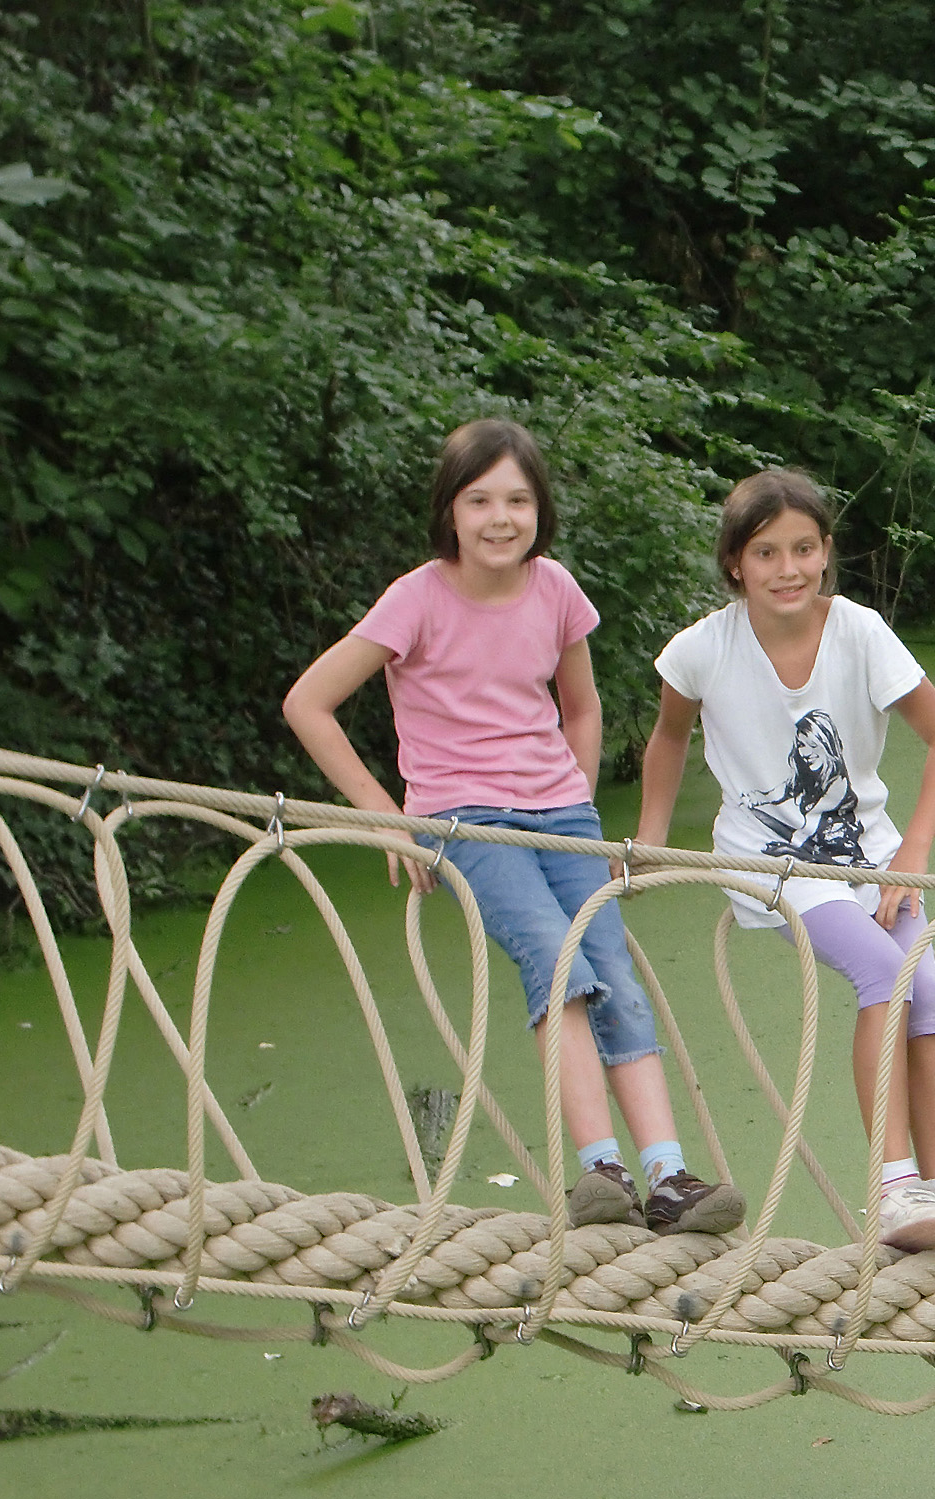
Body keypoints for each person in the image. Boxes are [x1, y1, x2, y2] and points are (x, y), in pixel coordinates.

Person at [284, 418, 742, 1235]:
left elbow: (584, 704)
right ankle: (601, 1171)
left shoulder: (554, 588)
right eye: (481, 499)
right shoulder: (417, 597)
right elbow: (308, 703)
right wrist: (389, 823)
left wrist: (583, 803)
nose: (501, 518)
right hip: (464, 820)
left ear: (542, 510)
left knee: (616, 973)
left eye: (519, 500)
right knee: (554, 955)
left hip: (561, 816)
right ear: (449, 512)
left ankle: (670, 1178)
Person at [633, 469, 935, 1255]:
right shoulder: (701, 651)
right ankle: (894, 1189)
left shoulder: (860, 632)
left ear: (827, 552)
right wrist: (645, 839)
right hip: (769, 868)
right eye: (767, 553)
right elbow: (669, 739)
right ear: (736, 563)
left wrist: (910, 852)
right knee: (884, 971)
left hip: (873, 860)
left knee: (927, 986)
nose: (789, 569)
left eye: (804, 549)